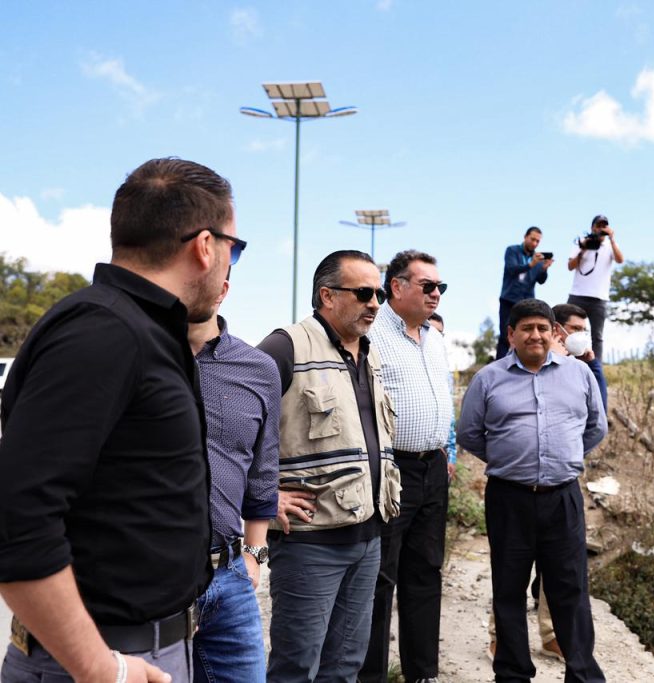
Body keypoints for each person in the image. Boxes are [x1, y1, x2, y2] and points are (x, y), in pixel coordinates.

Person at [0, 157, 239, 682]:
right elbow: (16, 520)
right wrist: (101, 669)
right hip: (95, 663)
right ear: (204, 246)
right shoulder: (106, 331)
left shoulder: (145, 331)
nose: (229, 266)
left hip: (147, 651)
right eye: (233, 250)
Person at [257, 250, 401, 683]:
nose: (375, 302)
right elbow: (231, 432)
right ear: (327, 295)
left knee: (344, 666)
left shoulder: (370, 354)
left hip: (368, 537)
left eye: (377, 293)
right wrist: (267, 497)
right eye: (363, 293)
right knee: (296, 666)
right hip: (310, 544)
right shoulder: (285, 347)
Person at [457, 298, 607, 683]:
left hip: (563, 497)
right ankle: (511, 674)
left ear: (555, 332)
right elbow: (471, 433)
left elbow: (595, 427)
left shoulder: (579, 374)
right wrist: (514, 458)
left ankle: (582, 674)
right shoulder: (489, 378)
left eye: (543, 328)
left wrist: (563, 457)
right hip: (509, 498)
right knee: (508, 588)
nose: (535, 335)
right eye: (526, 328)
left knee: (569, 590)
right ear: (511, 335)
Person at [361, 250, 454, 683]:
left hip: (433, 470)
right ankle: (373, 675)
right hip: (390, 470)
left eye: (440, 287)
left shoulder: (435, 340)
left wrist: (446, 456)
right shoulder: (372, 335)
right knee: (380, 579)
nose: (436, 294)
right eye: (427, 286)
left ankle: (422, 674)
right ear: (396, 287)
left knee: (426, 573)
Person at [188, 275, 280, 683]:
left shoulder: (258, 369)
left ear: (223, 289)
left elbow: (263, 468)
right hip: (158, 578)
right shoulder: (140, 357)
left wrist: (255, 554)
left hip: (229, 576)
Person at [566, 215, 624, 365]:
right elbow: (570, 266)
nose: (601, 229)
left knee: (597, 336)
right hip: (577, 295)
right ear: (592, 227)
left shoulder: (609, 246)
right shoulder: (581, 242)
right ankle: (567, 362)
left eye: (604, 226)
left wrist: (612, 239)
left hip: (599, 297)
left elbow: (620, 259)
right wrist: (584, 248)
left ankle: (595, 368)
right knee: (568, 330)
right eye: (598, 226)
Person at [496, 227, 553, 359]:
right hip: (508, 299)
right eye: (532, 239)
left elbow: (541, 280)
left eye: (537, 241)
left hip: (527, 302)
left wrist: (544, 269)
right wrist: (530, 265)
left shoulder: (538, 259)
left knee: (527, 333)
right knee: (505, 335)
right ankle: (499, 366)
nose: (534, 243)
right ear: (525, 236)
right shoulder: (512, 250)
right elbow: (511, 269)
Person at [552, 303, 607, 412]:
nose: (581, 335)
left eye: (583, 330)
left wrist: (592, 364)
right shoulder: (538, 361)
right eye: (576, 328)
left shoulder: (580, 365)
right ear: (556, 329)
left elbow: (600, 406)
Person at [428, 312, 458, 476]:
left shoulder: (446, 371)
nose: (435, 337)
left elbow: (451, 418)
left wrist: (452, 456)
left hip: (441, 457)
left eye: (439, 333)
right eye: (430, 330)